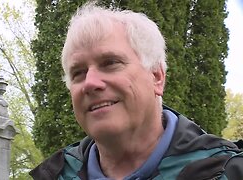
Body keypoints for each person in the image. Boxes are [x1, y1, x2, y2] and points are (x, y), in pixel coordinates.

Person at [30, 3, 243, 180]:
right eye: (78, 73)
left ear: (157, 77)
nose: (90, 83)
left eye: (110, 63)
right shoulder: (56, 174)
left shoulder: (225, 171)